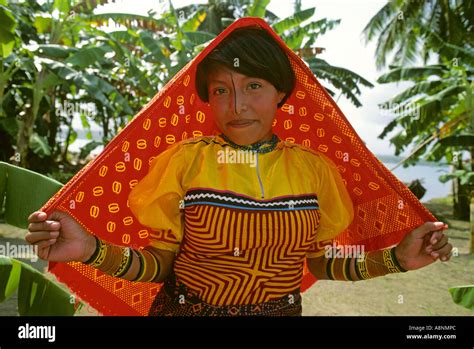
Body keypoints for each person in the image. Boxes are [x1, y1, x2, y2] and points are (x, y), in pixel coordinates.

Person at [26, 25, 452, 316]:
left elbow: (321, 262)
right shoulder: (186, 161)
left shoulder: (313, 170)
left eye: (253, 86)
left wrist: (393, 260)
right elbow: (159, 265)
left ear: (280, 91)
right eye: (221, 90)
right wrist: (91, 251)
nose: (238, 105)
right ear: (208, 100)